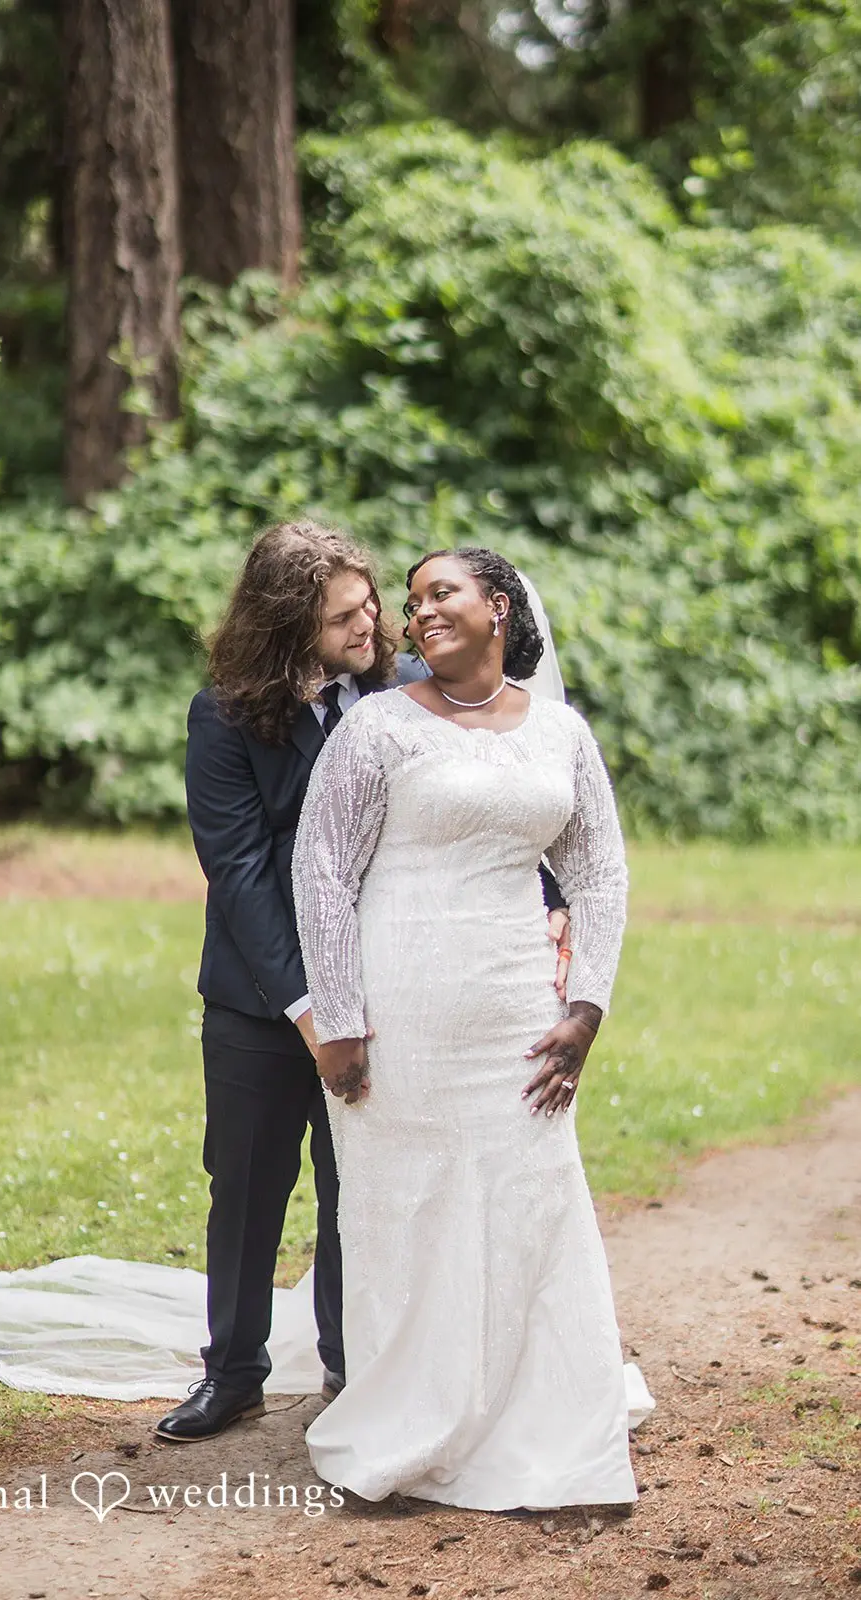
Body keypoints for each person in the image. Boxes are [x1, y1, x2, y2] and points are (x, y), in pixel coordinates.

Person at [156, 523, 570, 1443]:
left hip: (388, 987)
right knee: (247, 1185)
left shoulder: (401, 694)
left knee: (365, 1187)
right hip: (263, 998)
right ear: (285, 622)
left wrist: (545, 893)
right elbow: (240, 873)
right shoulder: (222, 717)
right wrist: (311, 1009)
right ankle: (232, 1374)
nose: (373, 620)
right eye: (345, 614)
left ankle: (358, 1367)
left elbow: (476, 801)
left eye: (371, 602)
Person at [292, 546, 636, 1510]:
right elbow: (319, 871)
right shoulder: (376, 734)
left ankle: (540, 1412)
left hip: (518, 1007)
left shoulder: (561, 735)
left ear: (499, 605)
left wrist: (586, 1008)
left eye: (441, 593)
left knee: (531, 1199)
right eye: (412, 603)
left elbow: (599, 873)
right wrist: (341, 1018)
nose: (418, 614)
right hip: (402, 1006)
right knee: (410, 1208)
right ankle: (414, 1411)